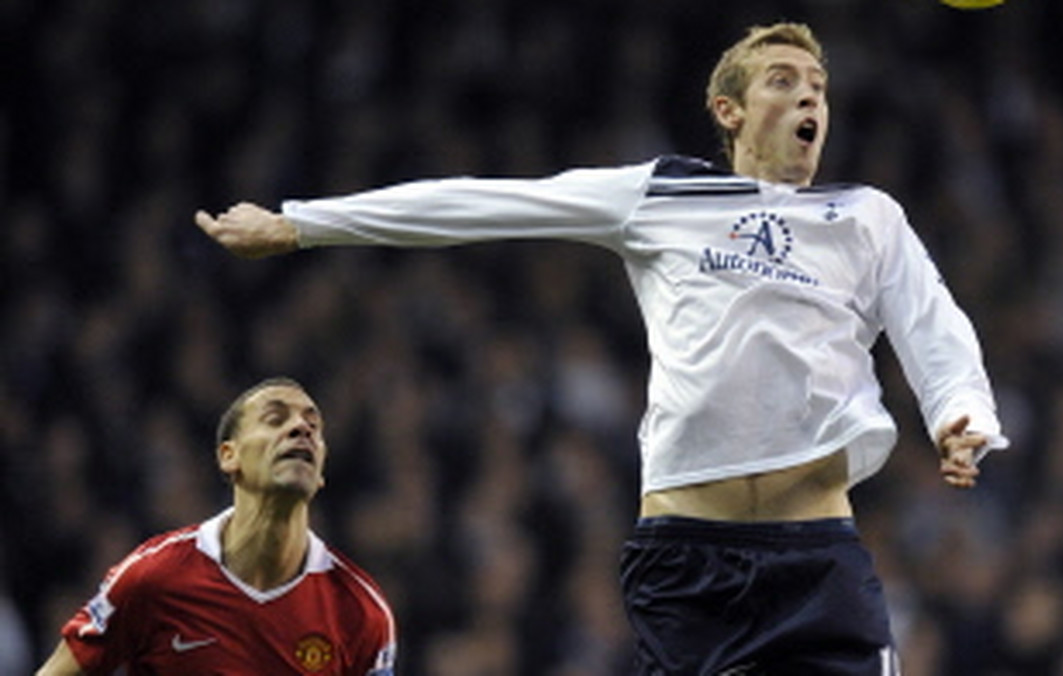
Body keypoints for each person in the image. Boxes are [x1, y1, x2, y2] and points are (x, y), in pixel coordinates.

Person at [195, 22, 1007, 675]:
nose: (810, 99)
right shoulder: (661, 195)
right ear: (728, 110)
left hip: (819, 560)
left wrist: (959, 411)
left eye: (819, 88)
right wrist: (302, 223)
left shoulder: (865, 216)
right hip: (689, 559)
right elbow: (488, 203)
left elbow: (933, 324)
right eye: (785, 81)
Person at [36, 377, 397, 675]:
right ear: (229, 456)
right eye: (275, 419)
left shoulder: (361, 612)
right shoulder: (154, 576)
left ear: (320, 473)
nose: (301, 428)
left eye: (313, 426)